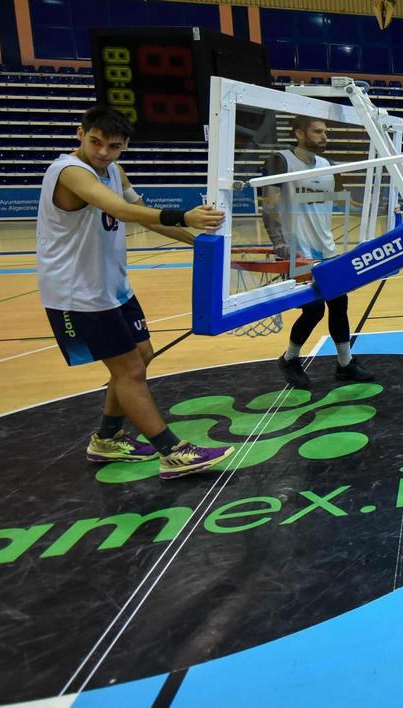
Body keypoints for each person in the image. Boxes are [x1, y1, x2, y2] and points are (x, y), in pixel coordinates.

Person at [39, 106, 235, 479]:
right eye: (95, 142)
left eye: (112, 146)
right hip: (76, 291)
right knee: (129, 370)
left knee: (142, 354)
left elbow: (138, 209)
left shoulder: (114, 170)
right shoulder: (68, 171)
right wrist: (184, 215)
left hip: (111, 285)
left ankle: (108, 439)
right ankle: (173, 452)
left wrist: (201, 243)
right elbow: (119, 210)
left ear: (124, 146)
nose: (102, 152)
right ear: (80, 134)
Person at [263, 115, 376, 389]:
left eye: (325, 132)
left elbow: (347, 200)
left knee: (339, 305)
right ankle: (289, 359)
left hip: (327, 249)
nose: (325, 136)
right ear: (299, 133)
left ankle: (345, 364)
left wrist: (383, 209)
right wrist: (278, 242)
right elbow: (268, 206)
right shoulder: (281, 160)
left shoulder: (328, 165)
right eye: (318, 132)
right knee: (313, 311)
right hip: (298, 253)